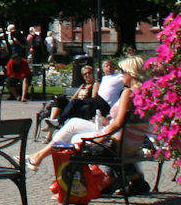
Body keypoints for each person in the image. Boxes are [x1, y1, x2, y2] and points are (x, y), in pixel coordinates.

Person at [29, 56, 150, 194]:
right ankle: (38, 156)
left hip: (117, 141)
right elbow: (123, 121)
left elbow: (118, 123)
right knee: (73, 123)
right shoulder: (146, 93)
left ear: (131, 73)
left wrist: (100, 136)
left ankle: (74, 187)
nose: (121, 75)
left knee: (74, 138)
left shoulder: (129, 93)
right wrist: (107, 121)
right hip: (132, 142)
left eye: (123, 71)